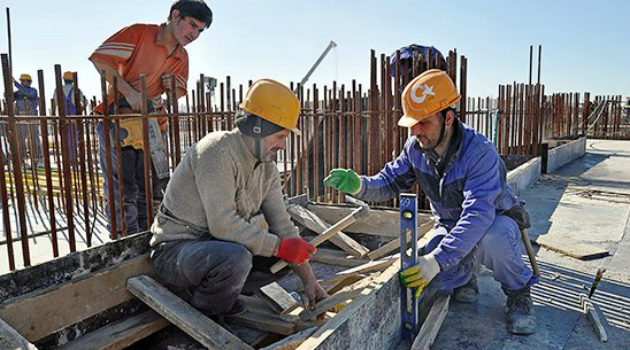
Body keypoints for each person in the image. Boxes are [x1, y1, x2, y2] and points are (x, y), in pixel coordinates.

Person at [324, 69, 538, 335]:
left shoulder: (479, 152)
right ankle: (466, 274)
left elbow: (477, 215)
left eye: (422, 122)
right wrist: (361, 185)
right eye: (412, 123)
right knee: (437, 268)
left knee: (491, 241)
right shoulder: (416, 148)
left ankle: (519, 293)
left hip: (493, 220)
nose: (415, 131)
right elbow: (390, 181)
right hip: (449, 222)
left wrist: (438, 260)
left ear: (448, 118)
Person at [150, 79, 328, 329]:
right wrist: (279, 246)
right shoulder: (216, 151)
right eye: (280, 136)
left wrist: (309, 281)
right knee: (237, 258)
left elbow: (283, 226)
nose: (283, 145)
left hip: (215, 249)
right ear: (258, 129)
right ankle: (202, 318)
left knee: (286, 259)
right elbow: (223, 224)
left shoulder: (267, 168)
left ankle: (220, 294)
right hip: (176, 251)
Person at [89, 0, 212, 235]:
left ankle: (147, 239)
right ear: (175, 16)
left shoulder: (181, 56)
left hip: (153, 124)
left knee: (152, 190)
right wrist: (130, 92)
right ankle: (124, 244)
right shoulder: (140, 34)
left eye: (200, 31)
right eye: (192, 25)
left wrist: (172, 88)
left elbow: (176, 96)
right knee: (124, 191)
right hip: (119, 119)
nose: (195, 34)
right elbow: (101, 60)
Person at [53, 71, 86, 162]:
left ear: (63, 80)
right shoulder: (76, 90)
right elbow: (83, 102)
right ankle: (72, 158)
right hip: (74, 117)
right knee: (74, 138)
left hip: (62, 117)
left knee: (64, 138)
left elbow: (54, 103)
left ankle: (67, 158)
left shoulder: (58, 90)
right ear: (72, 80)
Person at [13, 73, 43, 164]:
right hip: (21, 116)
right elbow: (10, 98)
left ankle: (37, 157)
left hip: (32, 115)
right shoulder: (17, 93)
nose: (22, 83)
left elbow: (28, 94)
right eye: (21, 81)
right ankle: (21, 157)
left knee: (34, 137)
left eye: (24, 81)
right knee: (21, 138)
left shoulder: (33, 91)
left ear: (29, 82)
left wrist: (15, 83)